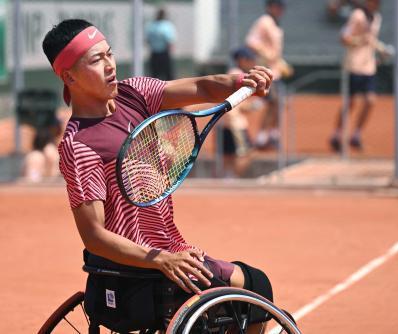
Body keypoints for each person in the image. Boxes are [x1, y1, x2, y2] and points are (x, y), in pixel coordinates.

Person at [42, 19, 274, 332]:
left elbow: (204, 86)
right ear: (68, 76)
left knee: (244, 292)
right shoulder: (80, 145)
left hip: (168, 253)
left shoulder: (134, 94)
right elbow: (94, 236)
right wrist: (160, 259)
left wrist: (243, 81)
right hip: (147, 270)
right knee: (258, 286)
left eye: (109, 54)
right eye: (96, 60)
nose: (110, 65)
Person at [329, 0, 392, 152]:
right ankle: (336, 135)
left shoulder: (376, 17)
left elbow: (371, 40)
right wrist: (360, 40)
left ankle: (356, 134)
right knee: (349, 102)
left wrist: (381, 50)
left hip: (369, 67)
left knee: (370, 100)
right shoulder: (357, 15)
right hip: (353, 65)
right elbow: (344, 37)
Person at [246, 0, 293, 150]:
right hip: (265, 71)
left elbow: (275, 51)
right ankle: (263, 137)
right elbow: (251, 41)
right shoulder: (264, 21)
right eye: (277, 6)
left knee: (278, 103)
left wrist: (280, 62)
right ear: (269, 7)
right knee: (275, 102)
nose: (280, 9)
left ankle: (271, 134)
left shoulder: (275, 23)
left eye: (281, 7)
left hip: (275, 71)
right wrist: (267, 55)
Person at [223, 47, 264, 178]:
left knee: (229, 154)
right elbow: (238, 103)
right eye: (250, 59)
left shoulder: (233, 74)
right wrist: (254, 105)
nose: (252, 62)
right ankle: (233, 179)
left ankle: (228, 178)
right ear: (241, 60)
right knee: (245, 153)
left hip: (228, 122)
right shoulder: (238, 76)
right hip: (236, 123)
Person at [145, 8, 176, 80]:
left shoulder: (151, 26)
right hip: (163, 54)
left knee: (156, 76)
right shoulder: (167, 26)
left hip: (156, 53)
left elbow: (148, 40)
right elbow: (170, 41)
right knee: (166, 76)